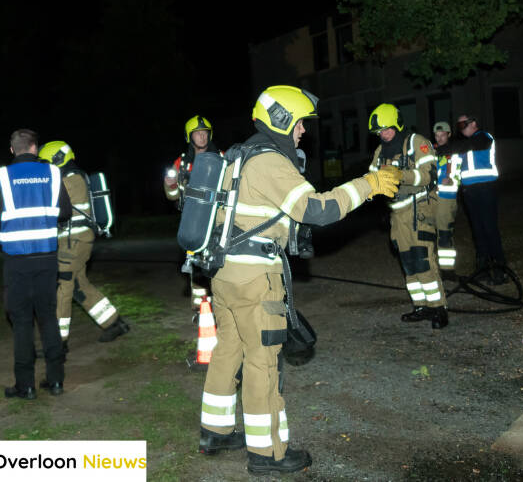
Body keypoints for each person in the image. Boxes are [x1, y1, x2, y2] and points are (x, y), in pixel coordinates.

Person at [197, 85, 400, 474]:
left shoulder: (237, 155)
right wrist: (368, 185)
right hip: (256, 277)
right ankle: (267, 453)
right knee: (262, 363)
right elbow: (317, 210)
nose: (303, 131)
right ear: (281, 120)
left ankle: (216, 431)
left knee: (229, 350)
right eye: (300, 123)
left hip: (224, 274)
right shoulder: (269, 161)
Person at [0, 129, 70, 399]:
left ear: (12, 150)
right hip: (46, 257)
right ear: (35, 148)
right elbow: (65, 212)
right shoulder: (53, 173)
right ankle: (56, 381)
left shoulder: (2, 175)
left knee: (21, 322)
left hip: (16, 260)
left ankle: (26, 386)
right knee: (47, 318)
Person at [39, 141, 129, 351]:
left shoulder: (71, 180)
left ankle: (57, 343)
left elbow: (54, 208)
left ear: (58, 159)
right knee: (80, 285)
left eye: (46, 163)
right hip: (75, 241)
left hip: (74, 243)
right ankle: (114, 323)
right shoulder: (71, 177)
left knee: (63, 286)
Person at [368, 104, 449, 328]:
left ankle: (438, 308)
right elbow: (372, 177)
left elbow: (429, 175)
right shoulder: (380, 151)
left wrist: (400, 175)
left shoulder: (416, 142)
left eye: (387, 129)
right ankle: (421, 306)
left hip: (419, 208)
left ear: (397, 123)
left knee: (423, 258)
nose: (383, 134)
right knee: (408, 262)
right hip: (397, 212)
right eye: (379, 132)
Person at [164, 115, 219, 310]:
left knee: (220, 264)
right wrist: (170, 185)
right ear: (190, 137)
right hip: (193, 220)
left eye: (205, 133)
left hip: (217, 220)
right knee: (195, 266)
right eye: (198, 134)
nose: (202, 137)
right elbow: (172, 196)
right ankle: (201, 309)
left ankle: (222, 305)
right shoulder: (181, 163)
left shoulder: (222, 157)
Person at [454, 114, 507, 284]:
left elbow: (473, 145)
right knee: (477, 229)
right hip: (469, 190)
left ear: (474, 123)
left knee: (489, 228)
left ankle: (500, 270)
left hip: (486, 188)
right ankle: (482, 269)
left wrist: (450, 147)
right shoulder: (462, 145)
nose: (461, 128)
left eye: (464, 124)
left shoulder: (484, 137)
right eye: (459, 126)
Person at [432, 122, 459, 276]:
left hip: (446, 198)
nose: (440, 138)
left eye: (443, 135)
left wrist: (448, 178)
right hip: (434, 199)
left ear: (449, 135)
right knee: (435, 235)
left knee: (444, 235)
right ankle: (438, 269)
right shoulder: (434, 151)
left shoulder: (454, 152)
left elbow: (454, 175)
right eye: (437, 135)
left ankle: (448, 272)